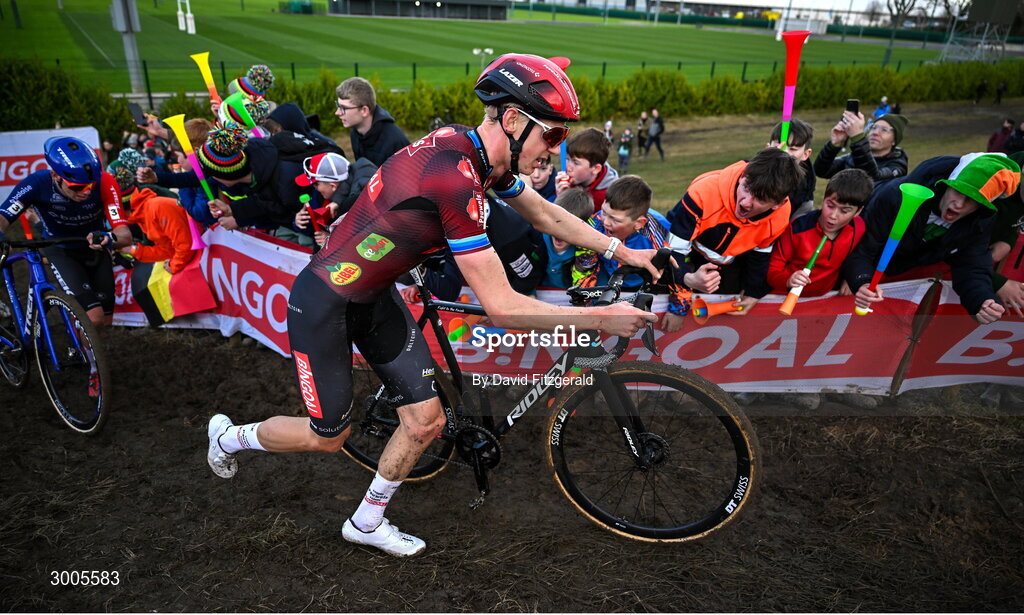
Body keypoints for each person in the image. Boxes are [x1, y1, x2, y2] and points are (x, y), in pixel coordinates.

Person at [204, 53, 658, 557]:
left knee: (426, 422)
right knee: (327, 436)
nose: (556, 148)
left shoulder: (478, 153)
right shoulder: (454, 178)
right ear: (511, 120)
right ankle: (229, 438)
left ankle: (367, 520)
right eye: (551, 135)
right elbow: (503, 308)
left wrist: (621, 251)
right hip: (323, 302)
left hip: (376, 294)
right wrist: (603, 318)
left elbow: (547, 216)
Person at [845, 153, 1021, 323]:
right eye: (958, 192)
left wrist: (982, 300)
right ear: (946, 185)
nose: (959, 204)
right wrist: (861, 280)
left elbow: (971, 267)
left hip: (891, 280)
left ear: (980, 207)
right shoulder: (894, 196)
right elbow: (862, 248)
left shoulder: (978, 223)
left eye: (971, 200)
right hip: (850, 271)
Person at [662, 148, 803, 332]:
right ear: (744, 174)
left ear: (779, 204)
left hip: (726, 262)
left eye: (759, 199)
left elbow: (760, 256)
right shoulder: (703, 191)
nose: (745, 202)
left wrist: (753, 293)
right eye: (746, 187)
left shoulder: (781, 215)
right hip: (684, 256)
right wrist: (679, 304)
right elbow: (673, 253)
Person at [0, 137, 132, 332]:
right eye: (78, 187)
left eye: (91, 185)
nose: (86, 192)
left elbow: (124, 235)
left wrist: (108, 238)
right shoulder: (37, 183)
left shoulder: (105, 182)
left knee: (105, 321)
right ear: (55, 176)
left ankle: (89, 358)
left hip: (94, 248)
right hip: (61, 250)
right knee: (93, 318)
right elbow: (3, 217)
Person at [571, 175, 684, 311]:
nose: (605, 222)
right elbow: (584, 270)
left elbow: (678, 269)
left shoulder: (660, 230)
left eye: (615, 220)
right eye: (604, 212)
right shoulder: (594, 224)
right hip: (608, 278)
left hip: (650, 282)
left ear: (639, 223)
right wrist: (584, 310)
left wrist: (678, 309)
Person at [767, 169, 873, 297]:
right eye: (830, 205)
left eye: (844, 211)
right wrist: (788, 280)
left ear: (858, 212)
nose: (833, 216)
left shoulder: (859, 227)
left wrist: (851, 278)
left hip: (825, 297)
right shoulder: (797, 229)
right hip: (782, 297)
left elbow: (856, 259)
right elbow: (771, 271)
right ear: (823, 199)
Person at [813, 110, 909, 193]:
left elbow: (872, 178)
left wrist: (857, 138)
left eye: (884, 130)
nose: (875, 133)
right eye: (874, 127)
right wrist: (834, 145)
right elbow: (821, 171)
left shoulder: (897, 166)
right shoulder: (853, 157)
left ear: (894, 141)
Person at [335, 77, 411, 167]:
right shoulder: (356, 134)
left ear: (364, 110)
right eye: (338, 106)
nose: (337, 113)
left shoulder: (395, 142)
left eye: (344, 108)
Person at [540, 188, 593, 289]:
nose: (560, 233)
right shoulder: (538, 239)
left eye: (568, 229)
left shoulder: (585, 253)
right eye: (557, 224)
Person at [555, 127, 617, 211]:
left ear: (595, 168)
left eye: (576, 163)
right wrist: (561, 196)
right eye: (567, 159)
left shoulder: (607, 198)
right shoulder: (567, 183)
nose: (568, 167)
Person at [767, 118, 816, 220]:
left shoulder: (805, 188)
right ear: (768, 148)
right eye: (779, 146)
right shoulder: (752, 172)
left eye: (793, 149)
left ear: (806, 154)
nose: (784, 153)